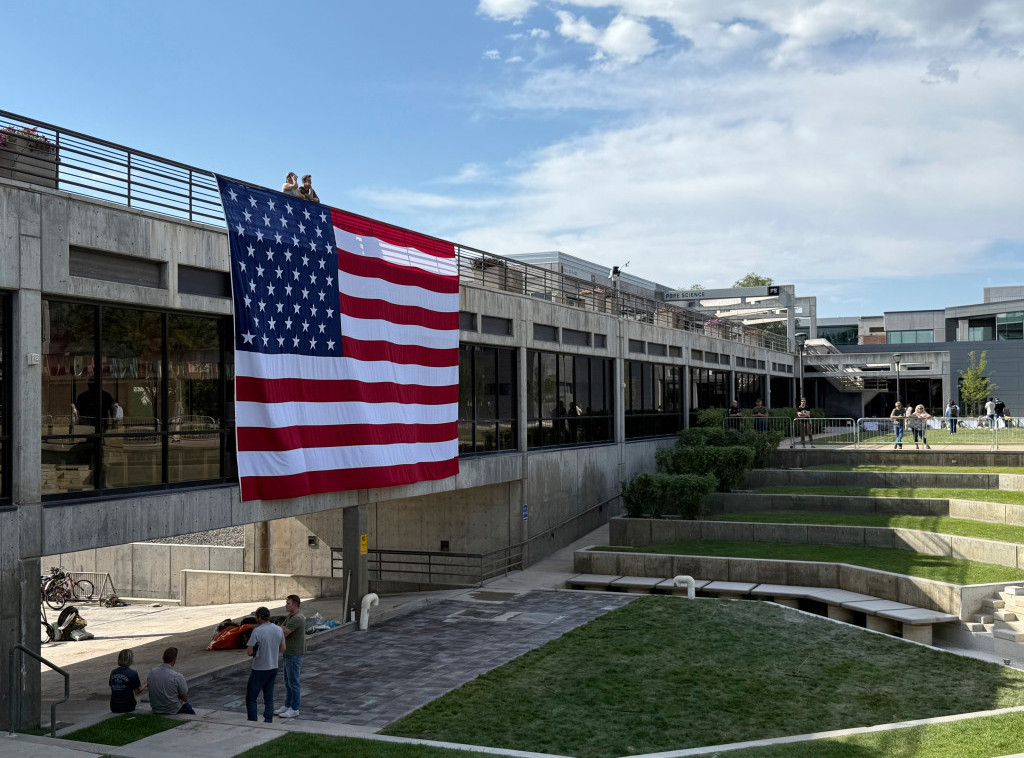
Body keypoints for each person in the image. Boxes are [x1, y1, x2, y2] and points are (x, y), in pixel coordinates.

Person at [246, 606, 286, 723]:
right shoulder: (278, 629)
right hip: (273, 666)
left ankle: (252, 720)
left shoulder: (257, 631)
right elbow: (283, 647)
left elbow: (249, 652)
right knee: (268, 696)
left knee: (251, 697)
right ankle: (268, 719)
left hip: (259, 668)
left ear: (259, 617)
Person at [276, 595, 306, 719]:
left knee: (294, 682)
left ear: (295, 605)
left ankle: (295, 708)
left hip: (294, 653)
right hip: (288, 652)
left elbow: (284, 632)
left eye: (288, 603)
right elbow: (281, 629)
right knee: (287, 681)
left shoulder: (298, 618)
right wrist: (280, 629)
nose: (286, 605)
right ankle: (288, 705)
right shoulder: (290, 616)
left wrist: (279, 630)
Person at [147, 647, 194, 715]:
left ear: (163, 657)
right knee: (189, 708)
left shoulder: (151, 673)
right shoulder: (177, 676)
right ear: (174, 659)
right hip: (172, 710)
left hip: (156, 708)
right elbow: (184, 698)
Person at [109, 648, 145, 713]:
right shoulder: (132, 673)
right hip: (127, 706)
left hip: (114, 706)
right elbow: (137, 692)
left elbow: (111, 685)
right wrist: (145, 686)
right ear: (130, 660)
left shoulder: (113, 672)